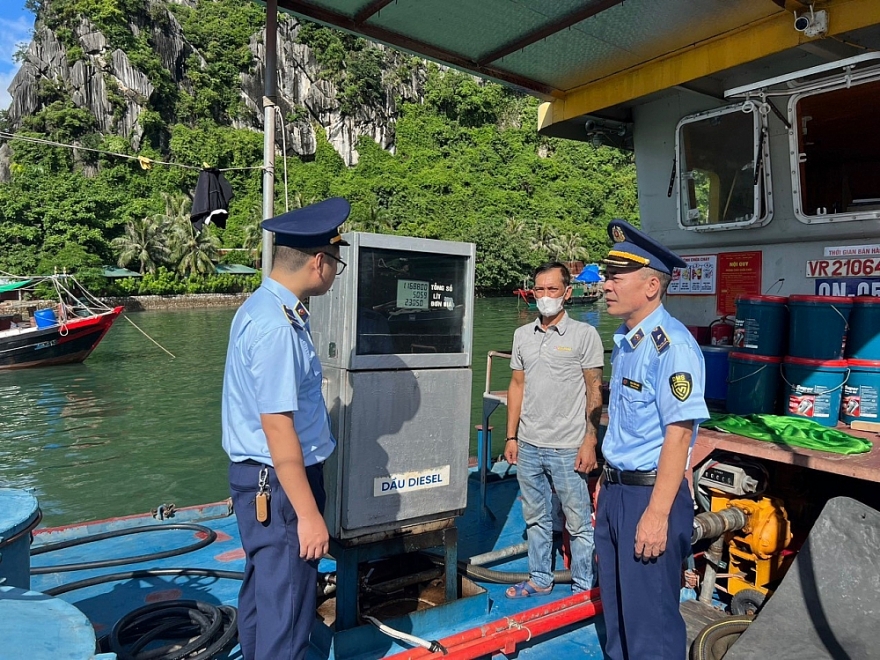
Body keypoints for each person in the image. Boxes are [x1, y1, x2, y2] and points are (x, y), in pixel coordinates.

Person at [221, 197, 350, 660]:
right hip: (281, 485)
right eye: (337, 262)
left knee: (265, 596)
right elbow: (278, 429)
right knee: (290, 610)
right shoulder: (278, 327)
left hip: (262, 482)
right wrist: (309, 515)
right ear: (319, 262)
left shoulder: (260, 309)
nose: (335, 273)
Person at [595, 219, 710, 660]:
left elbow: (679, 436)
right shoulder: (629, 342)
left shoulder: (672, 346)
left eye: (616, 277)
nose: (606, 285)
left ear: (650, 286)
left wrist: (657, 515)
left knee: (651, 629)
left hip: (650, 497)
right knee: (619, 619)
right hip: (618, 492)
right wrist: (606, 479)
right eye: (607, 276)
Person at [503, 261, 604, 598]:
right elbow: (517, 385)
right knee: (535, 517)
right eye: (540, 289)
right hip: (529, 444)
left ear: (567, 293)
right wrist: (511, 436)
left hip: (567, 446)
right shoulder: (522, 335)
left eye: (552, 289)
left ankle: (582, 588)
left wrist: (589, 440)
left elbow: (594, 390)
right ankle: (540, 578)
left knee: (578, 523)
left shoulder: (584, 335)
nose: (545, 296)